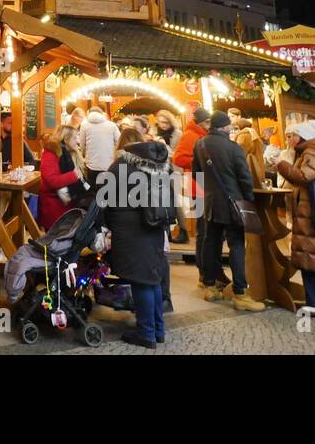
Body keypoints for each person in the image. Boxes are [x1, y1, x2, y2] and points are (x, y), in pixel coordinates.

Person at [101, 126, 172, 347]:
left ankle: (146, 334)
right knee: (153, 279)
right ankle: (158, 330)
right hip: (155, 228)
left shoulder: (120, 166)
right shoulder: (157, 165)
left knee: (142, 282)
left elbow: (105, 200)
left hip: (131, 230)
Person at [192, 111, 267, 311]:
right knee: (236, 245)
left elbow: (196, 173)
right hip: (232, 203)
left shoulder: (200, 145)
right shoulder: (234, 148)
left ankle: (209, 286)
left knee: (211, 243)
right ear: (225, 127)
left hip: (210, 202)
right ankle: (241, 294)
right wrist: (248, 200)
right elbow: (245, 178)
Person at [276, 119, 315, 317]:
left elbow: (305, 176)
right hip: (309, 211)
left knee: (313, 255)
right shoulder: (309, 152)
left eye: (292, 135)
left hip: (310, 212)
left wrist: (282, 165)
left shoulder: (310, 153)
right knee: (313, 254)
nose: (290, 139)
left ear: (301, 137)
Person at [172, 107, 211, 250]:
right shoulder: (189, 135)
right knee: (203, 226)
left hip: (205, 183)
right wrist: (199, 161)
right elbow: (178, 159)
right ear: (200, 123)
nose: (209, 124)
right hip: (197, 183)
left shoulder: (204, 134)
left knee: (207, 225)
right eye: (207, 122)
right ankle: (203, 262)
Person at [36, 131, 85, 229]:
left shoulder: (70, 153)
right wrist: (74, 175)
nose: (78, 141)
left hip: (66, 206)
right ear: (65, 139)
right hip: (54, 207)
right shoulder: (50, 153)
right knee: (53, 241)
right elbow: (51, 180)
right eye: (74, 138)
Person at [79, 106, 120, 186]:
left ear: (89, 113)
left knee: (93, 189)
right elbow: (119, 142)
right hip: (109, 164)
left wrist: (84, 155)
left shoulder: (84, 125)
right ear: (102, 114)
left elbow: (82, 144)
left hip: (91, 164)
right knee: (107, 191)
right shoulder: (111, 125)